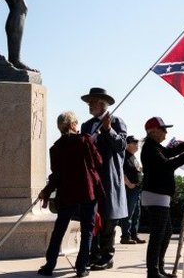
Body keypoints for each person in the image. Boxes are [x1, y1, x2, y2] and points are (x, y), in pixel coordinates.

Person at [37, 111, 103, 278]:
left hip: (67, 195)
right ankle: (81, 267)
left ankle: (49, 265)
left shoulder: (56, 148)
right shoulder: (85, 140)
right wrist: (91, 143)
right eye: (76, 122)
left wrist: (46, 191)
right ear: (73, 125)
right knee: (87, 230)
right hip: (86, 193)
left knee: (59, 230)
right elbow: (98, 162)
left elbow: (56, 175)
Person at [140, 116, 184, 278]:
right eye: (163, 129)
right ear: (153, 132)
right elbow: (167, 165)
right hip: (155, 196)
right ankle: (153, 271)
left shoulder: (155, 147)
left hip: (159, 196)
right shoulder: (150, 149)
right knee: (158, 234)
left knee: (165, 233)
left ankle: (158, 268)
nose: (166, 132)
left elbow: (171, 152)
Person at [79, 87, 128, 271]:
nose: (89, 105)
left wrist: (108, 130)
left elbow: (121, 146)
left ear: (102, 103)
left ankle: (107, 256)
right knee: (92, 219)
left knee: (108, 220)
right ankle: (94, 254)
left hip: (109, 179)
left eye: (92, 102)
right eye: (89, 102)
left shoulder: (116, 122)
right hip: (92, 180)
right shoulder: (86, 125)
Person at [120, 135, 145, 244]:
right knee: (129, 213)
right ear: (128, 144)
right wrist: (129, 183)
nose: (137, 145)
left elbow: (136, 170)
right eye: (135, 143)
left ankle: (134, 235)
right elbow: (121, 171)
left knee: (136, 213)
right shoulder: (124, 156)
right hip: (129, 188)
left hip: (137, 188)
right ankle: (126, 236)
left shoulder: (133, 157)